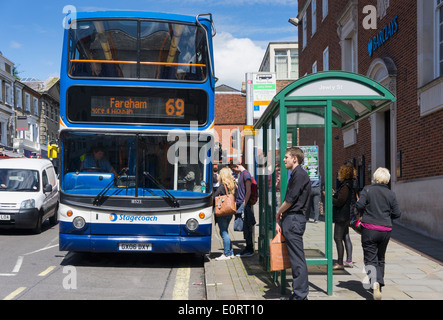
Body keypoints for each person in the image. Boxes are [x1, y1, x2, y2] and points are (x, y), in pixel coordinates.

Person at [356, 167, 401, 300]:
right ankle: (379, 285)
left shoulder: (367, 189)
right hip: (385, 230)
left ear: (375, 177)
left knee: (370, 257)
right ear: (387, 179)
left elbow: (359, 205)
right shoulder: (391, 194)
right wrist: (386, 216)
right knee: (380, 257)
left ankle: (374, 281)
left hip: (369, 228)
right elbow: (397, 213)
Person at [276, 147, 311, 300]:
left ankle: (300, 295)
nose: (284, 160)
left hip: (294, 219)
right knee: (296, 258)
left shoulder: (299, 175)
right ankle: (299, 293)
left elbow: (290, 200)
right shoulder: (297, 174)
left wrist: (278, 212)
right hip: (293, 219)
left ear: (295, 158)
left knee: (297, 260)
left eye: (286, 157)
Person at [229, 161, 256, 257]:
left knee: (247, 226)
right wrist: (235, 184)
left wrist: (244, 204)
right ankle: (248, 248)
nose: (234, 171)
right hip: (241, 203)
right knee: (244, 227)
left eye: (233, 169)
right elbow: (242, 189)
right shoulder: (242, 175)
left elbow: (248, 191)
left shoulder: (246, 174)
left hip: (244, 204)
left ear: (237, 166)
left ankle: (249, 249)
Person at [331, 165, 355, 270]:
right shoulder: (347, 185)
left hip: (341, 215)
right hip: (344, 215)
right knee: (345, 237)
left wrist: (330, 197)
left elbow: (340, 201)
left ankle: (340, 262)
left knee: (337, 238)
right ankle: (348, 260)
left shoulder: (345, 186)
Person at [214, 167, 236, 260]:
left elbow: (214, 197)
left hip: (222, 212)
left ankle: (226, 254)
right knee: (225, 231)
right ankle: (230, 252)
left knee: (224, 232)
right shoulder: (231, 186)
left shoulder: (222, 186)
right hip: (229, 211)